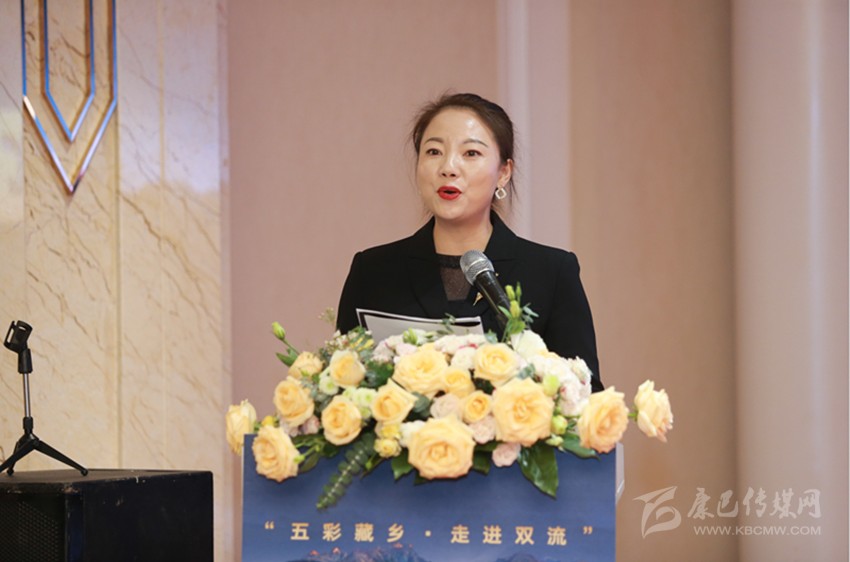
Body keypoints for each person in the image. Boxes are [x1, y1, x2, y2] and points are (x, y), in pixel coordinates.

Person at [337, 93, 603, 392]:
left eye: (471, 153)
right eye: (434, 151)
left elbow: (585, 394)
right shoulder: (374, 271)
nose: (448, 167)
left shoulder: (551, 272)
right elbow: (342, 387)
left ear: (503, 173)